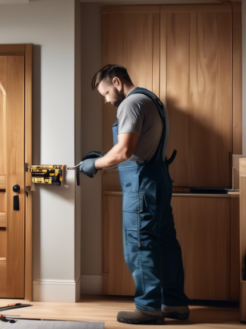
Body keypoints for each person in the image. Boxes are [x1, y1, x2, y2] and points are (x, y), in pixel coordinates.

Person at [81, 64, 190, 325]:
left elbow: (125, 152)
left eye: (106, 92)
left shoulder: (130, 104)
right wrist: (105, 156)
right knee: (165, 243)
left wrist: (94, 165)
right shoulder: (152, 100)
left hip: (141, 184)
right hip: (158, 180)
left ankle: (148, 308)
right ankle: (174, 304)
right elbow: (137, 146)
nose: (107, 100)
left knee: (139, 244)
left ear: (117, 82)